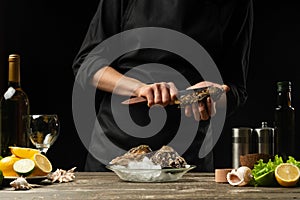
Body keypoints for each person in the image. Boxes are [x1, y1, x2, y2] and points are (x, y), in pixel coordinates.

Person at [72, 0, 253, 172]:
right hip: (113, 152)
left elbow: (236, 89)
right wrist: (139, 88)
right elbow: (87, 63)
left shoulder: (236, 3)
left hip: (187, 160)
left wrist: (211, 95)